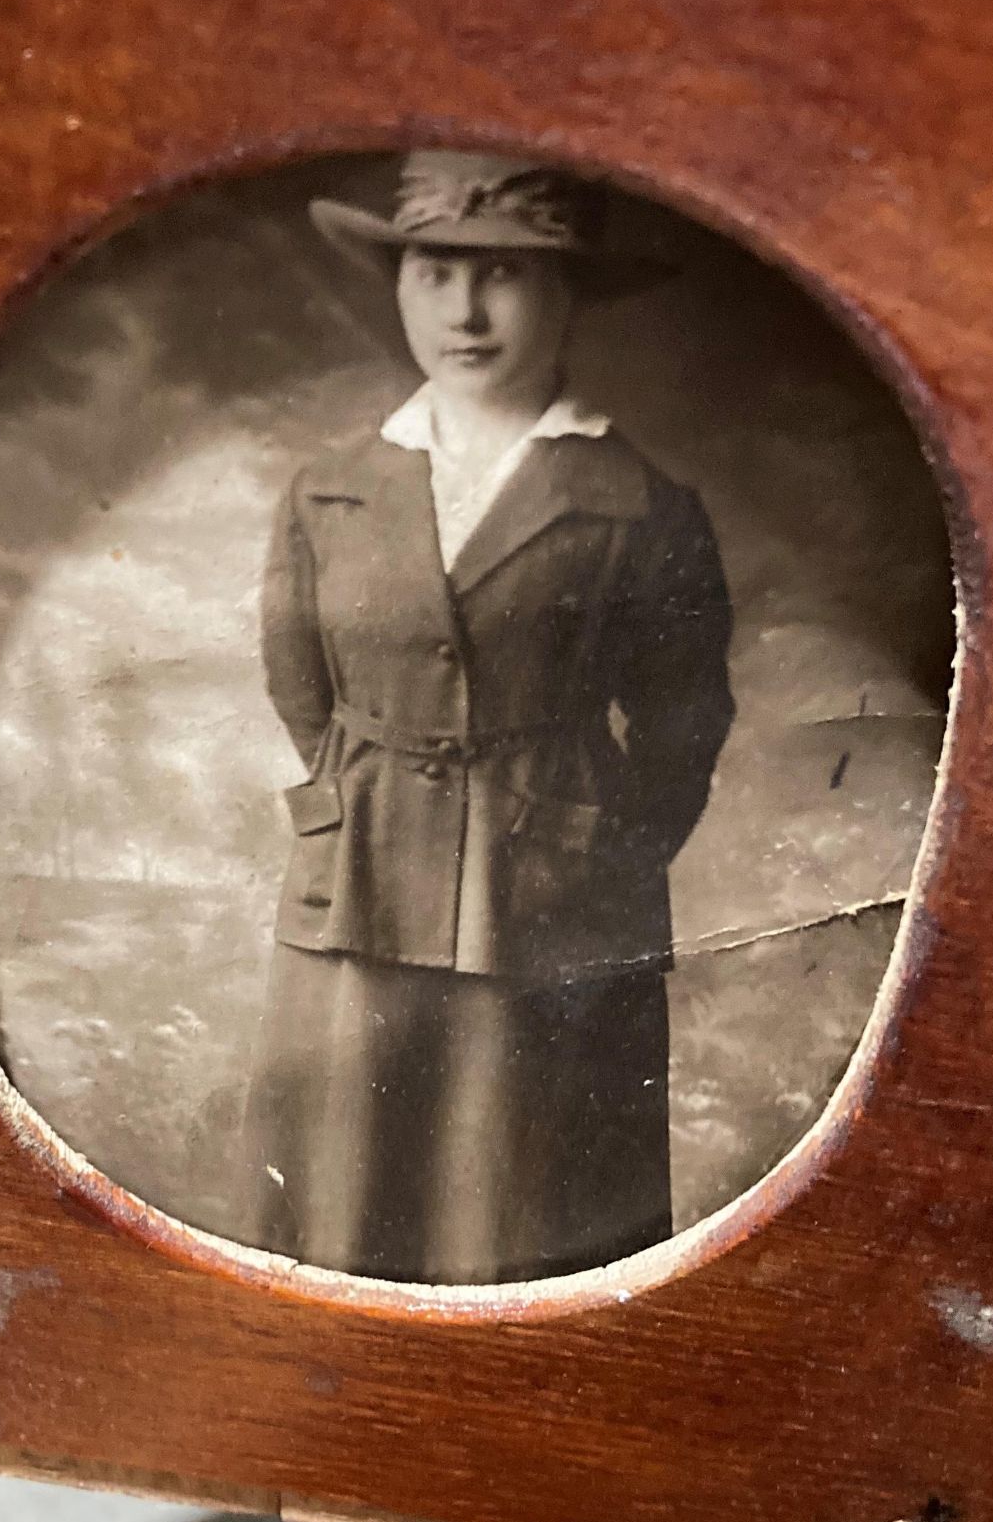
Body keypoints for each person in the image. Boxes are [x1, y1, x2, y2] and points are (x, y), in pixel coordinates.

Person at [249, 151, 734, 1283]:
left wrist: (588, 855)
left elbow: (684, 718)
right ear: (401, 284)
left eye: (504, 273)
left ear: (570, 294)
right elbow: (300, 684)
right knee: (340, 1196)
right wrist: (368, 798)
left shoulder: (641, 502)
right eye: (433, 270)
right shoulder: (329, 488)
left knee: (518, 1203)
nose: (462, 311)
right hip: (356, 886)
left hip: (547, 902)